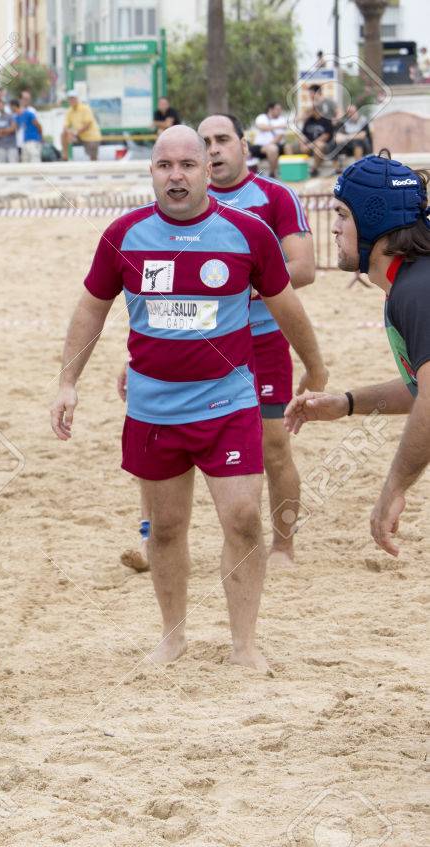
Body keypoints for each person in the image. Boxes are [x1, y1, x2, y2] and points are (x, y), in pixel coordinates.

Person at [49, 126, 327, 673]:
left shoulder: (247, 232)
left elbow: (287, 305)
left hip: (227, 406)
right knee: (167, 528)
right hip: (153, 412)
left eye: (187, 166)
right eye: (164, 166)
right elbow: (91, 309)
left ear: (206, 172)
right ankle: (172, 636)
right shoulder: (123, 235)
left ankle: (244, 644)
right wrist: (67, 381)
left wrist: (315, 366)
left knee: (243, 517)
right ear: (151, 171)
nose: (176, 176)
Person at [119, 114, 317, 572]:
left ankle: (283, 546)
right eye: (204, 143)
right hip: (185, 344)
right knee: (156, 431)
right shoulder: (172, 206)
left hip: (260, 339)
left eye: (222, 140)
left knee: (273, 445)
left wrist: (236, 283)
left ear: (243, 146)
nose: (213, 150)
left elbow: (303, 269)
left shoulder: (272, 197)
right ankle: (150, 539)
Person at [287, 156, 430, 557]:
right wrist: (346, 404)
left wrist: (394, 488)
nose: (332, 227)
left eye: (342, 214)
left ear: (375, 221)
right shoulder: (408, 282)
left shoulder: (417, 290)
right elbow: (420, 388)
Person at [61, 91, 102, 161]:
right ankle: (65, 156)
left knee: (93, 157)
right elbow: (66, 125)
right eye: (70, 99)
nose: (71, 100)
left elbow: (87, 124)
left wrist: (75, 133)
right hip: (78, 135)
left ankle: (95, 168)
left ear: (77, 99)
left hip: (91, 136)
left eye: (73, 98)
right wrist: (69, 132)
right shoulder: (69, 111)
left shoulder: (85, 108)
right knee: (63, 134)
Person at [250, 102, 288, 177]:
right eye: (277, 109)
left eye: (280, 109)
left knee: (283, 147)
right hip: (259, 146)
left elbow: (280, 136)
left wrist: (269, 145)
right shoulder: (262, 117)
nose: (280, 111)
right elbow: (261, 127)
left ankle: (284, 172)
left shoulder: (282, 119)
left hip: (274, 145)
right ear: (271, 109)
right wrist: (279, 126)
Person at [14, 91, 44, 164]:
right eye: (24, 99)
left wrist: (40, 138)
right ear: (20, 99)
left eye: (28, 99)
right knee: (24, 163)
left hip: (32, 140)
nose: (26, 101)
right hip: (20, 143)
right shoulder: (17, 112)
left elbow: (38, 125)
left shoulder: (31, 111)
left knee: (35, 161)